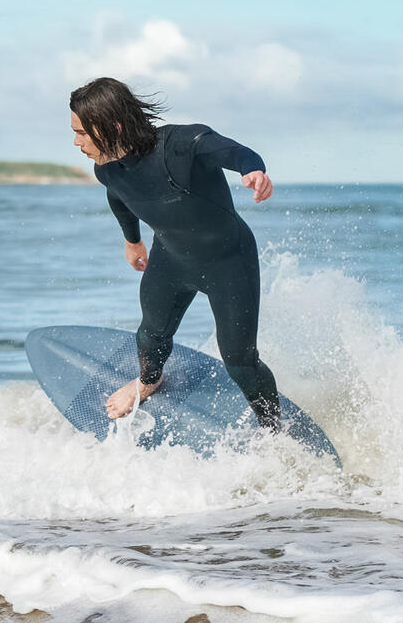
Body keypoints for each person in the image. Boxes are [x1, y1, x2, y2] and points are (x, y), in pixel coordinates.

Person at [69, 77, 280, 429]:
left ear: (114, 127)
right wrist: (132, 240)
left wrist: (253, 170)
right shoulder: (106, 169)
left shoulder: (182, 145)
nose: (77, 142)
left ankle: (276, 430)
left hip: (229, 263)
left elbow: (236, 152)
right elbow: (119, 195)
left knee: (240, 362)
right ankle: (149, 382)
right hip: (171, 260)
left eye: (83, 133)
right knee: (150, 336)